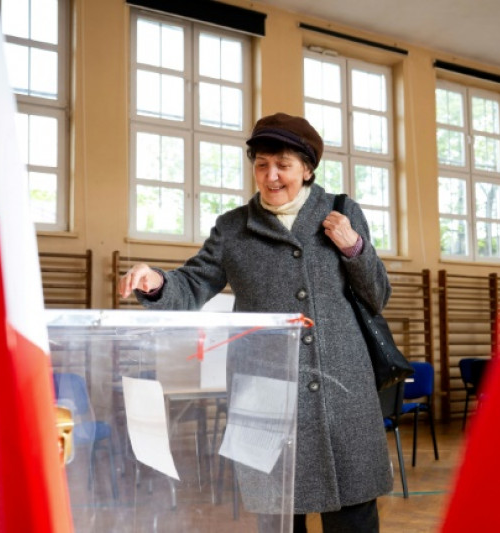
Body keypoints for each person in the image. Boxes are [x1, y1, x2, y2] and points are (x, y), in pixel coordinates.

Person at [118, 112, 393, 532]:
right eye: (262, 164)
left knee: (353, 515)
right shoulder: (232, 228)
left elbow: (378, 296)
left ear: (307, 168)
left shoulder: (341, 211)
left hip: (342, 389)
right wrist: (156, 282)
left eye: (283, 164)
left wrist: (354, 247)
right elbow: (192, 283)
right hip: (265, 394)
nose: (272, 176)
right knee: (277, 517)